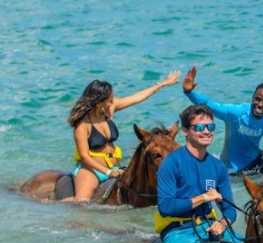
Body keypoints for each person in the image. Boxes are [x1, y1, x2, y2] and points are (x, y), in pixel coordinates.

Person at [65, 72, 179, 202]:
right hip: (92, 170)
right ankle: (55, 205)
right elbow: (84, 156)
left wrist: (163, 84)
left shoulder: (109, 111)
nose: (113, 101)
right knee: (82, 203)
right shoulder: (82, 125)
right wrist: (108, 172)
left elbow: (138, 97)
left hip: (114, 166)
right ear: (99, 103)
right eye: (110, 100)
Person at [155, 104, 242, 243]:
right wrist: (203, 197)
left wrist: (222, 224)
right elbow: (166, 206)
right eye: (200, 128)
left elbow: (230, 210)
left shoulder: (218, 166)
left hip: (208, 226)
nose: (207, 131)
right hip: (178, 231)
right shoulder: (171, 163)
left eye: (211, 127)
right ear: (185, 131)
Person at [181, 66, 263, 173]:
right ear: (252, 98)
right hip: (229, 168)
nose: (260, 104)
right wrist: (189, 92)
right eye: (257, 99)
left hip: (256, 165)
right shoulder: (236, 113)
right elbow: (210, 104)